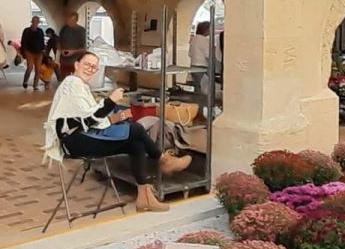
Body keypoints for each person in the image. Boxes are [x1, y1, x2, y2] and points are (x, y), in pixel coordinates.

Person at [44, 51, 190, 213]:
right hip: (75, 142)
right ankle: (163, 160)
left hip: (81, 138)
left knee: (136, 144)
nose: (90, 69)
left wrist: (111, 111)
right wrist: (110, 100)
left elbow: (89, 119)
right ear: (76, 65)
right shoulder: (72, 84)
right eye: (87, 65)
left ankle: (144, 197)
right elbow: (90, 119)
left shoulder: (79, 86)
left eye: (94, 67)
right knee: (136, 129)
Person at [190, 20, 216, 105]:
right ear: (206, 30)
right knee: (204, 90)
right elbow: (208, 55)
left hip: (193, 65)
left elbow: (189, 53)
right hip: (202, 67)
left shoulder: (193, 39)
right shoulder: (205, 41)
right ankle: (201, 108)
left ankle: (196, 108)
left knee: (197, 89)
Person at [57, 12, 88, 81]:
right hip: (64, 60)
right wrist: (60, 50)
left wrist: (72, 52)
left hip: (76, 60)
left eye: (72, 20)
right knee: (64, 79)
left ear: (76, 20)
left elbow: (83, 48)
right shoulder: (64, 29)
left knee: (76, 79)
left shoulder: (81, 31)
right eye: (69, 20)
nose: (70, 22)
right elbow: (59, 42)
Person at [20, 16, 47, 91]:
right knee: (30, 67)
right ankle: (25, 81)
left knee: (38, 69)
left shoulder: (40, 31)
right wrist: (24, 52)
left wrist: (43, 50)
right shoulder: (26, 31)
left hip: (39, 53)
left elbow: (42, 42)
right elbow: (23, 42)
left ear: (38, 23)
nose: (35, 23)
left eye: (37, 21)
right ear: (31, 22)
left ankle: (35, 85)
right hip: (29, 52)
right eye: (34, 21)